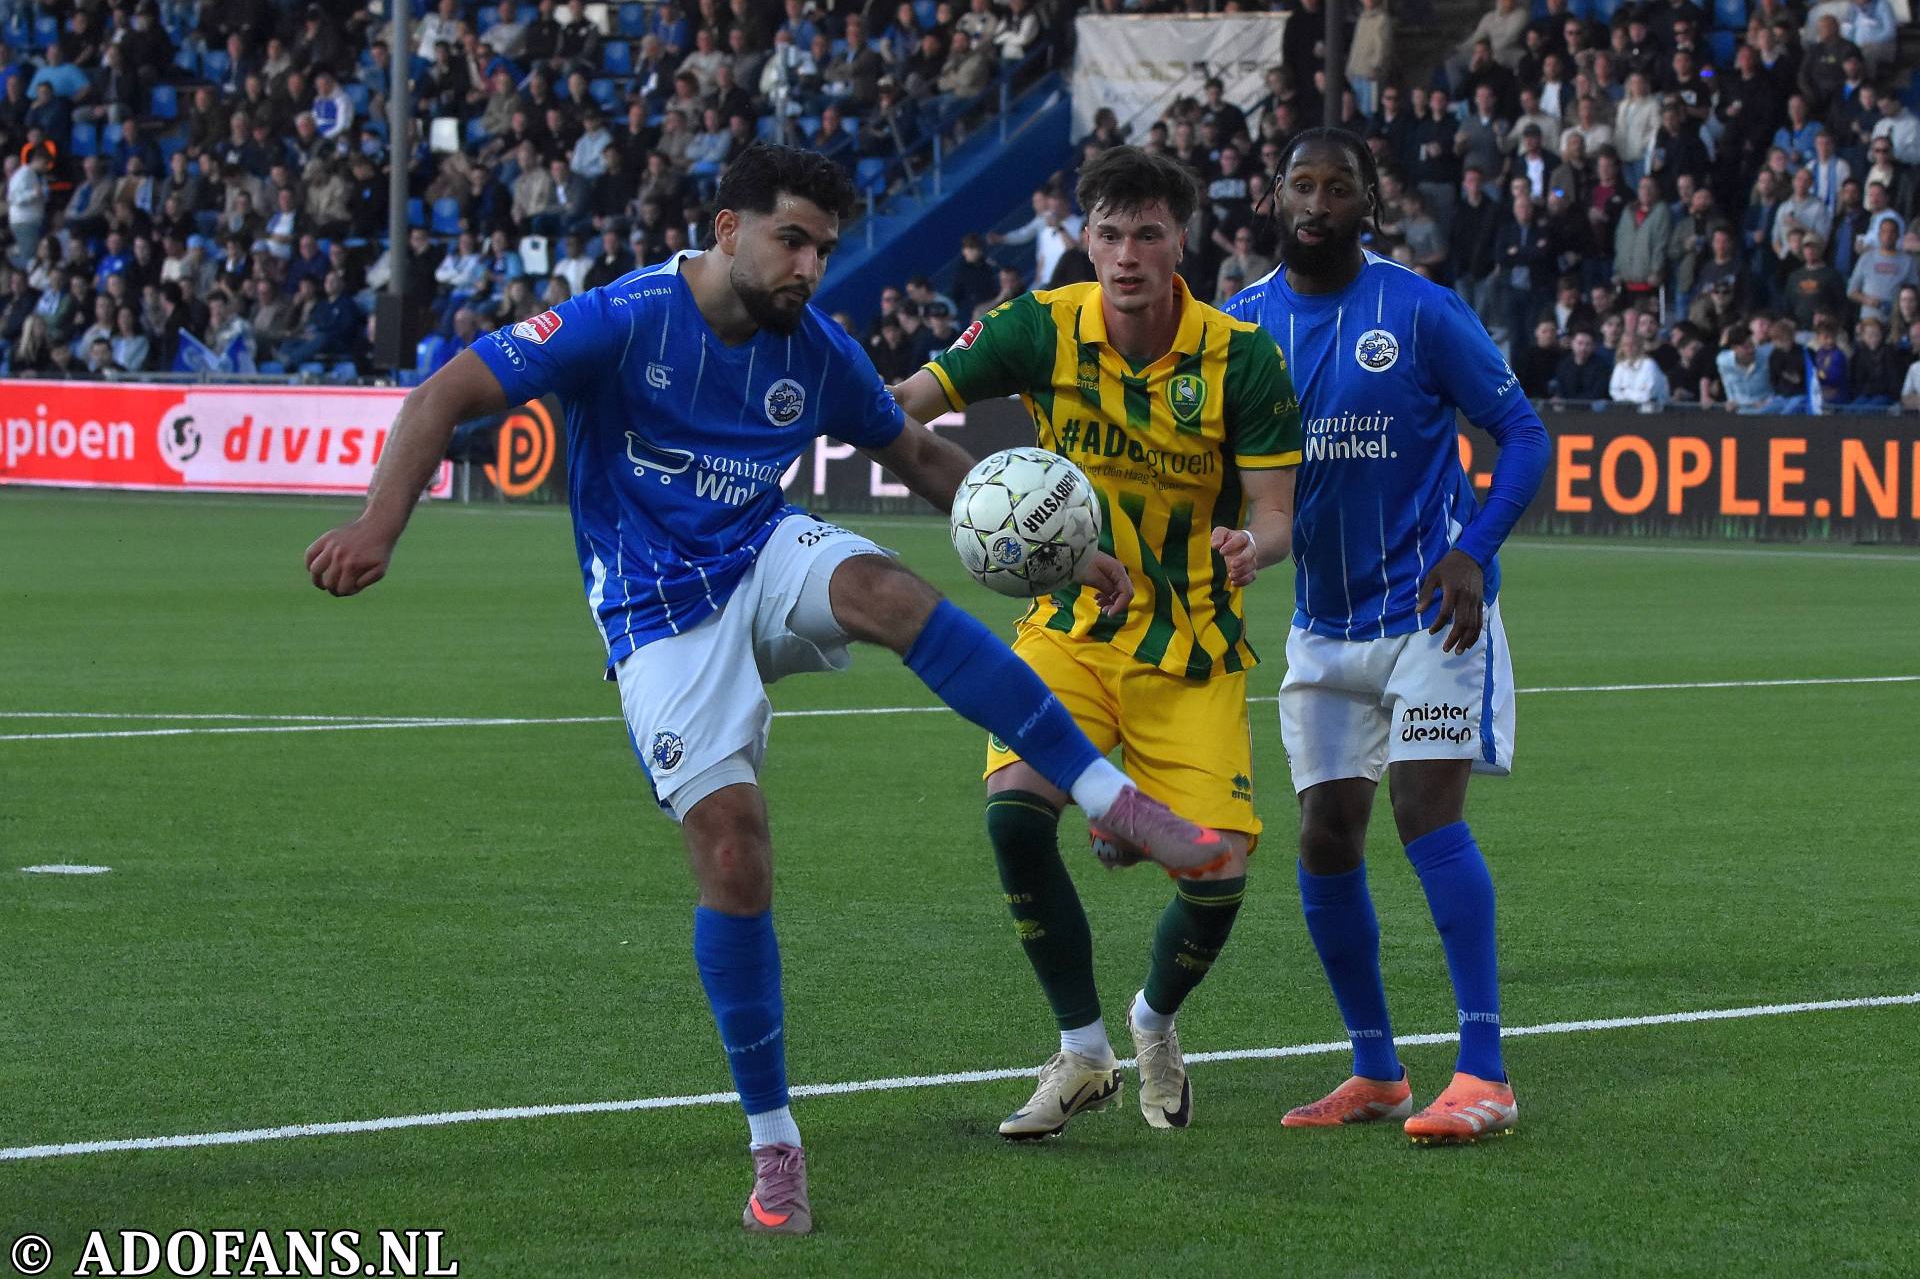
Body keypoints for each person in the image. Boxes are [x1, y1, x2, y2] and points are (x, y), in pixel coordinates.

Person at [302, 144, 1225, 1237]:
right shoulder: (624, 319)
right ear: (727, 228)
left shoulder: (813, 346)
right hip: (657, 615)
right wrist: (381, 522)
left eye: (823, 249)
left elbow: (918, 455)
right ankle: (775, 1143)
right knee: (735, 851)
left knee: (889, 591)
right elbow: (447, 390)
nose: (809, 268)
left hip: (760, 552)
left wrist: (1064, 549)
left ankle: (1117, 800)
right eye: (792, 241)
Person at [889, 146, 1303, 1140]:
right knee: (1014, 818)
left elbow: (1276, 513)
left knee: (1217, 876)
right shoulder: (1038, 325)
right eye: (1109, 234)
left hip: (1191, 645)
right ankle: (1081, 1053)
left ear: (1181, 242)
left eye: (1147, 234)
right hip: (1069, 633)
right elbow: (905, 406)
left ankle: (1152, 1021)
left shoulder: (1242, 357)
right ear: (1085, 238)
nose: (1126, 256)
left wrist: (1253, 545)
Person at [1221, 128, 1550, 1144]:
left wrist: (1473, 551)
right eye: (1302, 185)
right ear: (1275, 196)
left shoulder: (1419, 309)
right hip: (1323, 623)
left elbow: (1524, 433)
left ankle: (1485, 1071)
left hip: (1433, 613)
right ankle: (1377, 1071)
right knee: (1325, 835)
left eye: (1340, 187)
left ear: (1371, 202)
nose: (1318, 204)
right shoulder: (1239, 327)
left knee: (1424, 814)